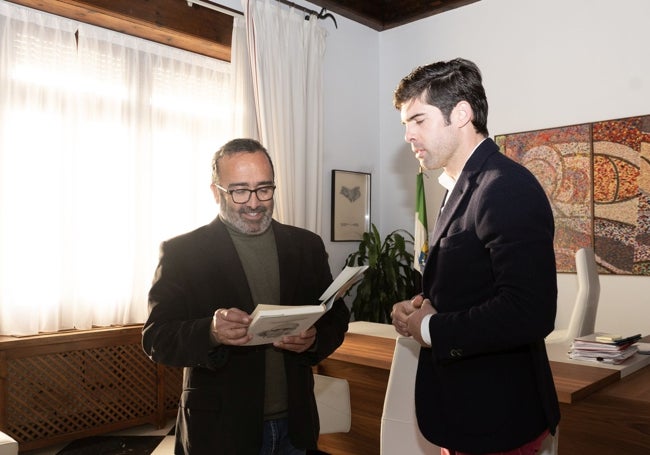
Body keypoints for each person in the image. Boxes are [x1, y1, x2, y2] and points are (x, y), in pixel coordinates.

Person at [390, 58, 560, 455]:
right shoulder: (462, 185)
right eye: (405, 125)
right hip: (469, 413)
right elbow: (469, 286)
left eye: (418, 120)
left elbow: (529, 311)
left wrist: (431, 329)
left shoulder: (504, 186)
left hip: (497, 418)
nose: (408, 136)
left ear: (461, 114)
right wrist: (420, 309)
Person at [142, 138, 350, 455]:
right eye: (239, 191)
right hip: (221, 431)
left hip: (295, 426)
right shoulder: (182, 253)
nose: (254, 202)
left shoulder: (306, 246)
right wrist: (210, 332)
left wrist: (314, 339)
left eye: (264, 189)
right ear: (216, 192)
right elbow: (156, 338)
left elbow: (335, 316)